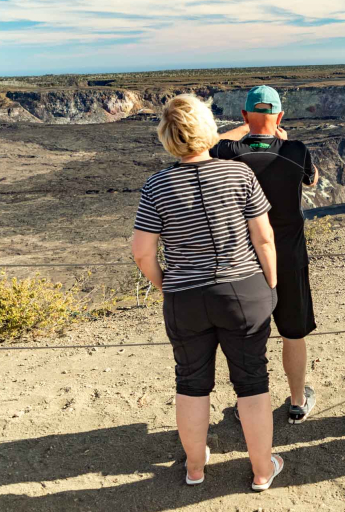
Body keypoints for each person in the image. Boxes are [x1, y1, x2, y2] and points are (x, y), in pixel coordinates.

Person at [131, 94, 284, 491]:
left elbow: (142, 251)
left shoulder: (156, 186)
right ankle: (262, 470)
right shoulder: (238, 175)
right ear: (207, 129)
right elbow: (264, 238)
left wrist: (166, 283)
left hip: (186, 298)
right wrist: (270, 284)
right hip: (243, 291)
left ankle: (195, 468)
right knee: (252, 382)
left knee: (191, 382)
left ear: (168, 137)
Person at [212, 85, 319, 424]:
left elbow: (200, 143)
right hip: (288, 256)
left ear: (244, 115)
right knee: (293, 331)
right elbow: (311, 181)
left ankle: (249, 405)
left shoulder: (226, 151)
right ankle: (298, 400)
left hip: (241, 260)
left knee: (247, 337)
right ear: (280, 116)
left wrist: (248, 129)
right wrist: (277, 136)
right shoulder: (296, 149)